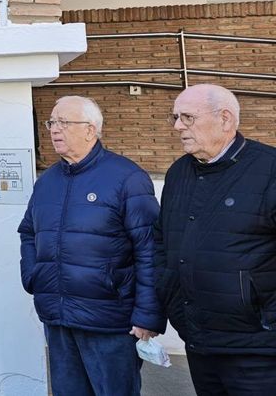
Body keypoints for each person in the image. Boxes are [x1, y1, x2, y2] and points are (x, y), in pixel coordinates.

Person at [18, 96, 161, 396]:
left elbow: (150, 250)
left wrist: (148, 315)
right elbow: (28, 232)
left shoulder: (127, 178)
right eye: (51, 123)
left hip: (109, 323)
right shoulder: (47, 181)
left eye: (64, 123)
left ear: (91, 129)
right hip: (58, 318)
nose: (54, 130)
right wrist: (33, 276)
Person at [154, 84, 276, 394]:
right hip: (198, 339)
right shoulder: (178, 173)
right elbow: (162, 243)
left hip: (258, 349)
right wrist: (172, 304)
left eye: (188, 117)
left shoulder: (269, 169)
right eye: (176, 117)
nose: (178, 126)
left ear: (225, 119)